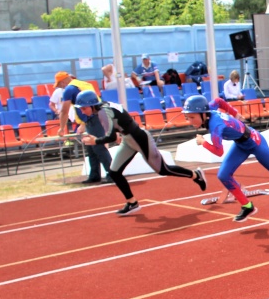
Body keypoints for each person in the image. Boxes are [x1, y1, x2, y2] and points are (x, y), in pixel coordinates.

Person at [183, 95, 269, 222]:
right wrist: (234, 113)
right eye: (187, 117)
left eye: (192, 117)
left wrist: (203, 142)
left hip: (255, 142)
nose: (190, 121)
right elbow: (218, 101)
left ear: (203, 114)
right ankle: (247, 206)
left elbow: (218, 152)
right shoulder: (208, 109)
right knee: (223, 175)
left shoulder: (216, 127)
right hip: (240, 144)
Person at [76, 90, 207, 215]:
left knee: (162, 170)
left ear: (92, 105)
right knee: (114, 172)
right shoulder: (104, 107)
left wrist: (96, 141)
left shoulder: (103, 111)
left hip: (139, 138)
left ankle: (195, 175)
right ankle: (132, 202)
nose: (82, 111)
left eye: (83, 108)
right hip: (128, 139)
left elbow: (110, 136)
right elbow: (120, 122)